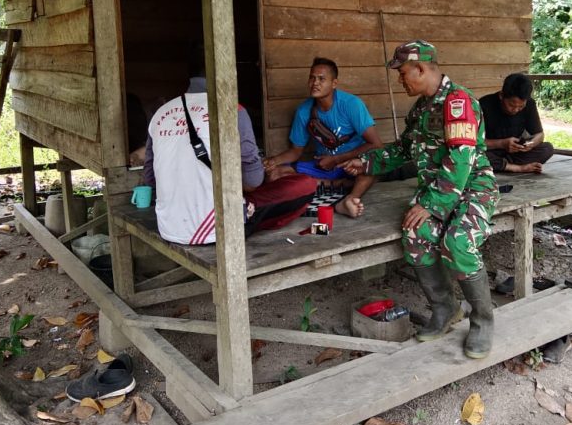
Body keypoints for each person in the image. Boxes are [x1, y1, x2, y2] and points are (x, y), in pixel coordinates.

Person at [343, 41, 498, 359]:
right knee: (416, 232)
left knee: (457, 243)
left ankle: (483, 321)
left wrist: (430, 204)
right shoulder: (421, 109)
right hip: (437, 191)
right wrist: (367, 162)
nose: (400, 80)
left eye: (403, 73)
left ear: (421, 68)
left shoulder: (458, 102)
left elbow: (461, 159)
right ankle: (446, 309)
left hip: (473, 187)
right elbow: (403, 150)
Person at [143, 75, 316, 244]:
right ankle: (252, 215)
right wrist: (262, 173)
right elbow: (252, 182)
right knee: (305, 185)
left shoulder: (161, 113)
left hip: (168, 226)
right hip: (215, 227)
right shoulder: (231, 109)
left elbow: (150, 179)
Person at [263, 57, 382, 218]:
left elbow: (376, 144)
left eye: (321, 79)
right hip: (324, 166)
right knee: (275, 175)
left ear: (334, 83)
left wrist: (337, 159)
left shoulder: (351, 104)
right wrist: (273, 161)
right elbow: (295, 151)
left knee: (374, 163)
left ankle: (350, 199)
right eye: (312, 78)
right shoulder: (304, 111)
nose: (315, 83)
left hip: (352, 165)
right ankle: (339, 185)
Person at [479, 73, 554, 173]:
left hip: (515, 153)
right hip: (491, 151)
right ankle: (516, 167)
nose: (515, 110)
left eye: (521, 106)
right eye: (511, 105)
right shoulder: (484, 105)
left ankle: (501, 165)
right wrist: (502, 144)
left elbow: (539, 135)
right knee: (474, 154)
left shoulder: (530, 104)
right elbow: (475, 142)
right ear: (501, 95)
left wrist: (530, 144)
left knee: (547, 149)